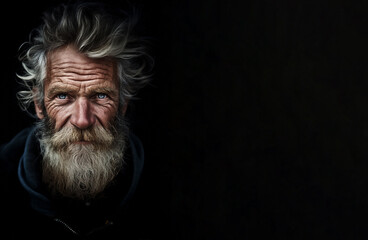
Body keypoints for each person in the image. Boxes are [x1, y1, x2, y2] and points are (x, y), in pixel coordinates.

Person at [0, 1, 153, 239]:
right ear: (39, 104)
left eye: (100, 95)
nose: (82, 120)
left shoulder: (164, 189)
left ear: (123, 104)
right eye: (63, 96)